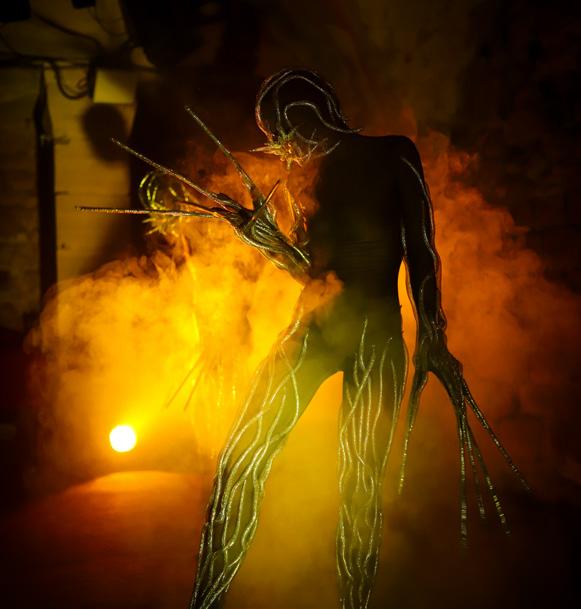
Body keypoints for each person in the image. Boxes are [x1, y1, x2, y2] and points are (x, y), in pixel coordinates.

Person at [93, 68, 528, 609]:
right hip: (312, 329)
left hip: (375, 336)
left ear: (306, 117)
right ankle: (205, 601)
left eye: (281, 134)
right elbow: (313, 274)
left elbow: (422, 249)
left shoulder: (392, 153)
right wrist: (267, 241)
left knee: (359, 482)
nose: (282, 149)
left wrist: (432, 333)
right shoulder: (305, 180)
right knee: (240, 458)